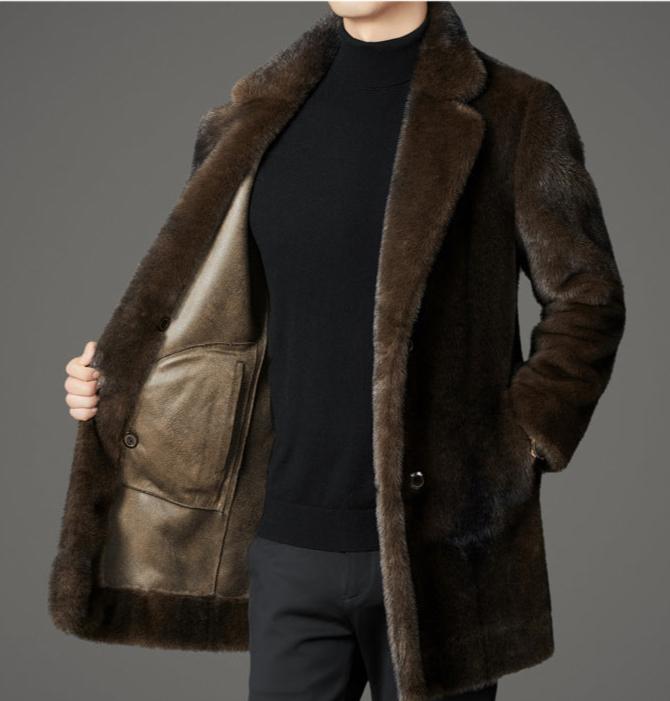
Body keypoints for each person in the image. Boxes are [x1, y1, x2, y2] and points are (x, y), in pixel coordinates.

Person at [55, 2, 625, 700]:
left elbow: (587, 296)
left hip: (442, 550)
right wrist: (120, 386)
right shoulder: (249, 121)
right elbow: (213, 321)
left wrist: (522, 440)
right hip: (287, 546)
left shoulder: (516, 110)